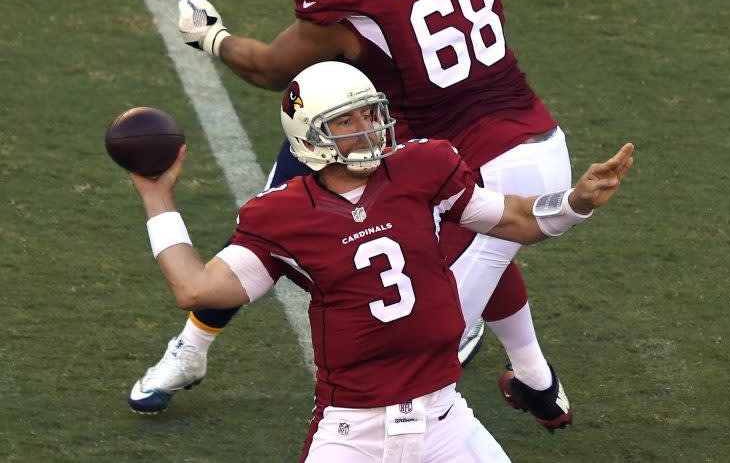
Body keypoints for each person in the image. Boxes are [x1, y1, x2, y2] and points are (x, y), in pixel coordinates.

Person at [126, 61, 633, 462]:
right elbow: (195, 290)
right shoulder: (280, 216)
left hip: (444, 419)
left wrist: (575, 203)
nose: (367, 129)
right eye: (345, 121)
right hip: (352, 431)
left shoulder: (423, 167)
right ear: (310, 136)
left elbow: (514, 220)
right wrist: (156, 194)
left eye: (369, 113)